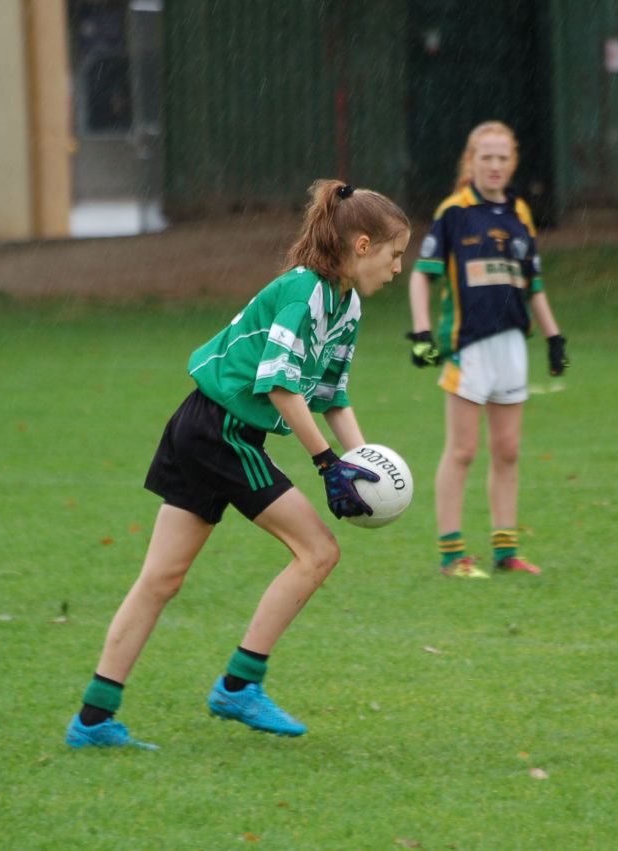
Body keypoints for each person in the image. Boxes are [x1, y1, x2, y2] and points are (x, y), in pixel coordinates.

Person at [65, 180, 411, 748]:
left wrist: (364, 465)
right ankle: (238, 684)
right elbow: (280, 388)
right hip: (218, 430)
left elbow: (330, 397)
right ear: (364, 245)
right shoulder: (304, 292)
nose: (398, 268)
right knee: (318, 551)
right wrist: (328, 466)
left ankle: (93, 720)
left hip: (208, 427)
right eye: (396, 255)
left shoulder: (345, 306)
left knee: (162, 579)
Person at [407, 121, 568, 579]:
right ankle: (451, 555)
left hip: (512, 345)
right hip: (468, 346)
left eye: (502, 158)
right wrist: (422, 333)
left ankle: (505, 551)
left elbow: (533, 282)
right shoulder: (454, 211)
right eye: (486, 157)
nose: (494, 165)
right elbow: (422, 273)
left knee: (508, 450)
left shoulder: (520, 211)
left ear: (512, 162)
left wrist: (553, 336)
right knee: (462, 451)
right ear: (471, 161)